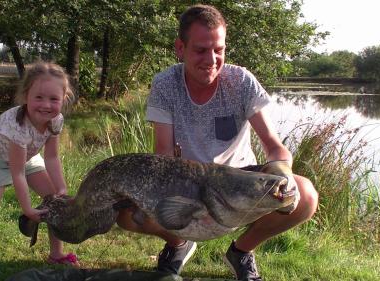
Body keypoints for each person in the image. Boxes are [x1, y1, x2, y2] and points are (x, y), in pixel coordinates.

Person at [116, 4, 318, 281]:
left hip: (240, 183)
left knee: (305, 196)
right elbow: (162, 155)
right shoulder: (165, 84)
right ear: (180, 48)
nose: (211, 59)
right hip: (189, 184)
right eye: (200, 50)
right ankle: (179, 244)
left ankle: (241, 252)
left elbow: (274, 145)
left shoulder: (241, 81)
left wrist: (283, 175)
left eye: (218, 50)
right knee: (128, 214)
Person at [0, 62, 79, 281]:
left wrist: (60, 187)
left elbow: (51, 157)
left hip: (30, 159)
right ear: (26, 96)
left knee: (55, 200)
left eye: (54, 99)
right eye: (39, 97)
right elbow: (17, 174)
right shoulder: (17, 126)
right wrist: (27, 209)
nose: (46, 105)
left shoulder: (56, 120)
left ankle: (56, 253)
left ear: (64, 98)